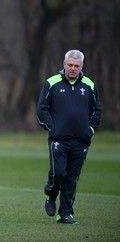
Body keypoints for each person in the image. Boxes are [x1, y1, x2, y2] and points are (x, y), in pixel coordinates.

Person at [36, 49, 102, 224]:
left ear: (81, 67)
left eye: (76, 66)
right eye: (70, 65)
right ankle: (50, 194)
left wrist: (90, 130)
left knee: (72, 178)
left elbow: (97, 110)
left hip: (80, 141)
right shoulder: (52, 83)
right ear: (64, 64)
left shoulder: (89, 85)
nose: (73, 68)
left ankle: (65, 214)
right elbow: (41, 109)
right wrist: (53, 128)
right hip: (59, 140)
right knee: (58, 174)